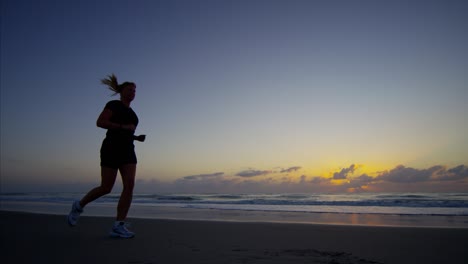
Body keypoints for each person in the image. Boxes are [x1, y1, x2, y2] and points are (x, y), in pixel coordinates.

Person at [67, 74, 146, 238]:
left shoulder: (134, 115)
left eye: (135, 91)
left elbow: (125, 133)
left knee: (129, 186)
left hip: (128, 150)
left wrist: (136, 137)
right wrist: (124, 127)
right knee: (106, 187)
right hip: (111, 148)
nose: (133, 93)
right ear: (121, 91)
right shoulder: (114, 105)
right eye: (129, 89)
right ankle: (79, 205)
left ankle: (119, 225)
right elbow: (101, 122)